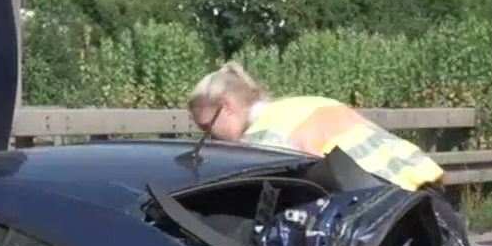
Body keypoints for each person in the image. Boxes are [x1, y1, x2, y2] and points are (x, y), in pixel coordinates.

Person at [186, 62, 446, 191]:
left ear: (227, 106)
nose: (210, 139)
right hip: (427, 192)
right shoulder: (306, 103)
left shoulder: (263, 138)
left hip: (389, 211)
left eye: (208, 127)